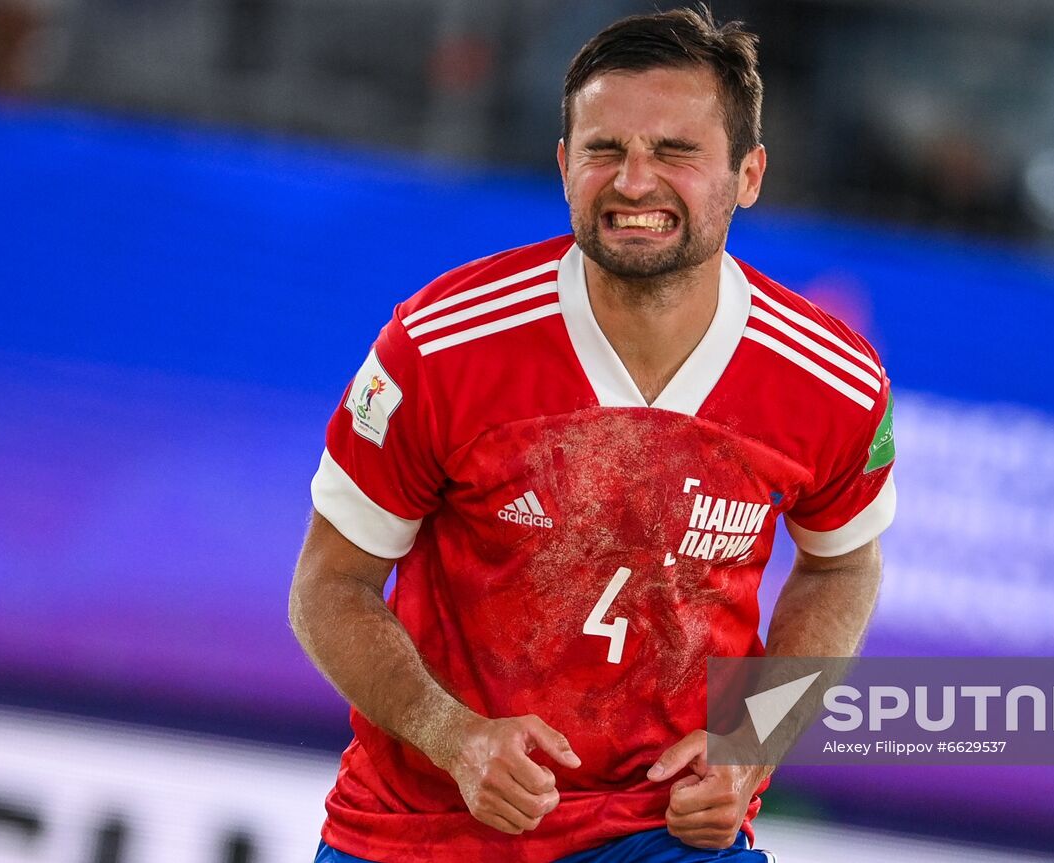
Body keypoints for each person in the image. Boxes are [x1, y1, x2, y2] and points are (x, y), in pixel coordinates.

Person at [290, 7, 897, 862]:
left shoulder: (833, 380)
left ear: (749, 173)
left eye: (676, 152)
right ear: (564, 164)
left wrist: (751, 742)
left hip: (665, 832)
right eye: (605, 149)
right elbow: (328, 587)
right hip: (420, 832)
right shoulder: (440, 345)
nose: (635, 182)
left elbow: (844, 562)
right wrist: (455, 737)